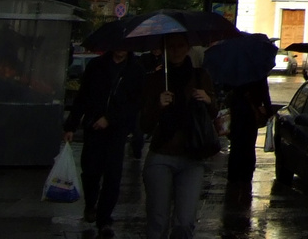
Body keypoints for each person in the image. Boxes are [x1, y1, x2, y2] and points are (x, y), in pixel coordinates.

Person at [140, 35, 217, 239]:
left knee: (185, 222)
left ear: (188, 47)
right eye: (170, 47)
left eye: (180, 46)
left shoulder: (200, 76)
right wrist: (158, 106)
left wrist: (208, 101)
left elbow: (214, 114)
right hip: (162, 155)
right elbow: (144, 124)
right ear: (164, 49)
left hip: (193, 156)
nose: (175, 51)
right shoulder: (156, 80)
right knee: (158, 220)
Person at [64, 45, 144, 236]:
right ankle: (91, 203)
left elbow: (135, 103)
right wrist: (71, 126)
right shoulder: (96, 66)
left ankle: (105, 218)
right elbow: (83, 96)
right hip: (93, 127)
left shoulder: (135, 69)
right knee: (90, 170)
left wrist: (111, 118)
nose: (121, 49)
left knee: (113, 176)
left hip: (117, 131)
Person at [224, 74, 272, 194]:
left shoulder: (235, 71)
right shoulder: (258, 72)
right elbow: (264, 93)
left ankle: (234, 175)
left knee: (235, 145)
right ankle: (246, 175)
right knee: (249, 145)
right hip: (251, 114)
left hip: (236, 113)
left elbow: (226, 89)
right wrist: (268, 111)